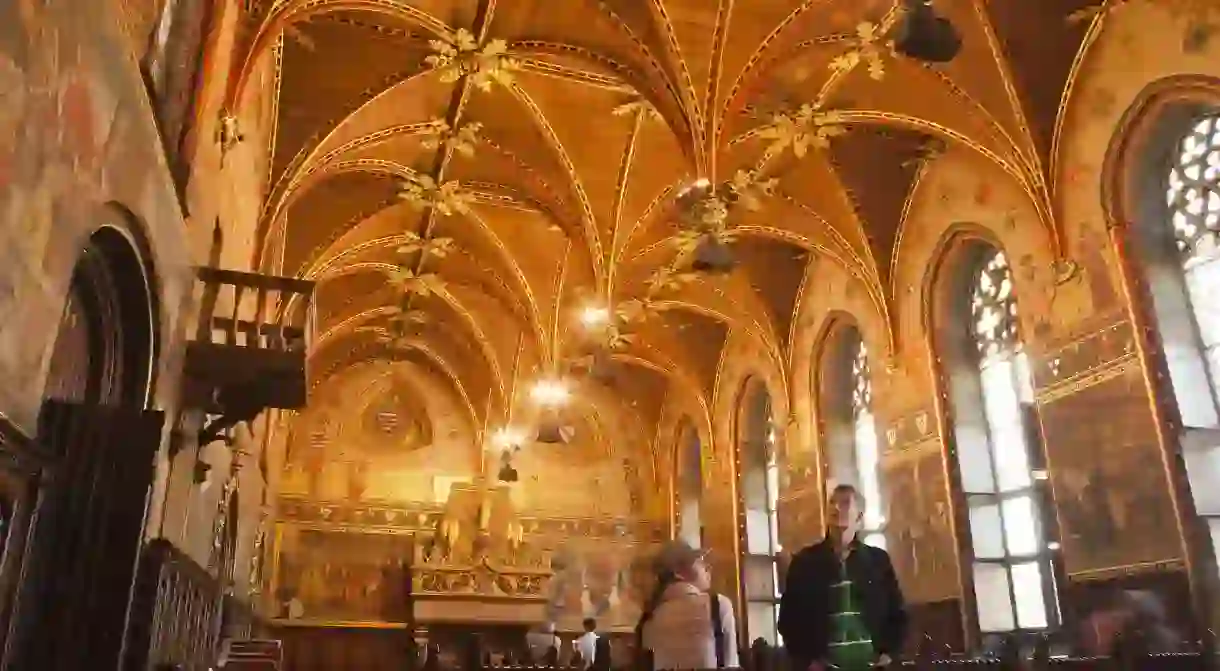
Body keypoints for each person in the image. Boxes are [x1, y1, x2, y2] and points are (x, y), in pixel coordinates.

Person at [779, 484, 907, 671]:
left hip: (871, 665)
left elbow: (898, 612)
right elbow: (789, 619)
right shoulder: (805, 562)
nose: (836, 508)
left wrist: (889, 653)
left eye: (845, 503)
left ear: (860, 516)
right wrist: (807, 661)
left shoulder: (877, 560)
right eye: (832, 502)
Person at [637, 540, 739, 669]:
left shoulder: (649, 617)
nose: (707, 567)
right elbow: (731, 663)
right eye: (699, 562)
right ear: (679, 573)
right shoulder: (718, 606)